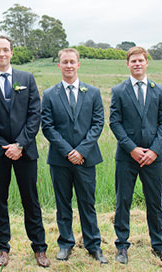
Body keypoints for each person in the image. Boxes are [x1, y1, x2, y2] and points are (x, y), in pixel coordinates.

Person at [0, 35, 50, 268]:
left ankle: (39, 248)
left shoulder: (27, 78)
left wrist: (20, 145)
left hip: (25, 151)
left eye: (5, 49)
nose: (1, 54)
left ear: (12, 52)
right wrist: (3, 147)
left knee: (31, 200)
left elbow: (34, 115)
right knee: (0, 201)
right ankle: (2, 248)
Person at [41, 48, 108, 264]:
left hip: (86, 159)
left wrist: (81, 151)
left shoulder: (93, 93)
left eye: (72, 62)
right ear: (59, 65)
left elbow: (98, 124)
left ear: (78, 64)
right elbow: (48, 126)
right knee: (63, 203)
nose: (69, 65)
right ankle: (65, 244)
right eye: (65, 62)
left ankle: (93, 245)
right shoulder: (49, 94)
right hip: (60, 160)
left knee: (87, 203)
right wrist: (68, 151)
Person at [109, 46, 162, 265]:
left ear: (147, 63)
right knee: (123, 201)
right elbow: (114, 122)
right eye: (133, 61)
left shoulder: (158, 90)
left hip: (153, 158)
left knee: (154, 202)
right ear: (128, 64)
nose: (137, 64)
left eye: (140, 60)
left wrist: (154, 150)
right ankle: (122, 246)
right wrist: (132, 149)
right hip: (127, 157)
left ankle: (159, 246)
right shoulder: (119, 90)